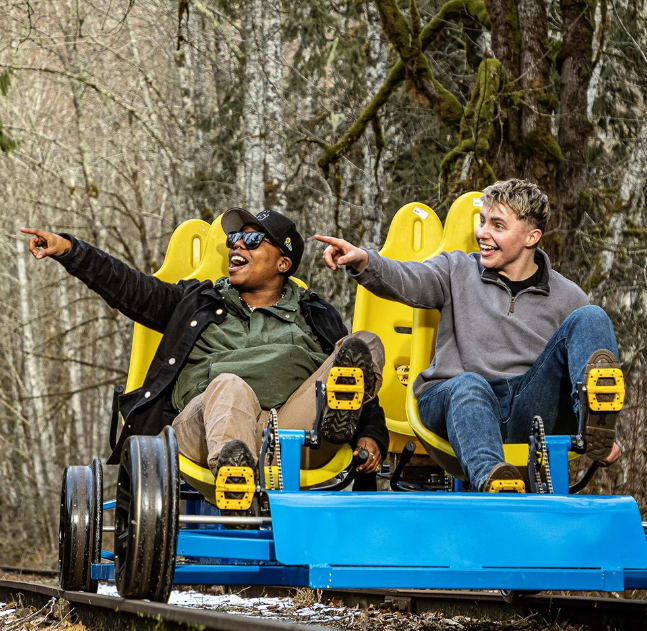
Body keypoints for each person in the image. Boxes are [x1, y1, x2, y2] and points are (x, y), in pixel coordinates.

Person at [21, 208, 388, 496]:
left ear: (283, 263)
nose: (236, 245)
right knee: (229, 384)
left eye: (252, 239)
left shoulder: (315, 313)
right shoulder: (198, 301)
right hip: (204, 429)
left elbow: (347, 379)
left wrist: (370, 433)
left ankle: (251, 460)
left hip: (293, 436)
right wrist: (71, 250)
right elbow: (130, 288)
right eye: (234, 238)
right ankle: (234, 468)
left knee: (363, 344)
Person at [316, 179, 622, 492]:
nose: (482, 233)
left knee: (592, 317)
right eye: (482, 221)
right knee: (469, 384)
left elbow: (585, 359)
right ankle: (495, 481)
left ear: (532, 237)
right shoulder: (455, 269)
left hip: (528, 410)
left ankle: (594, 417)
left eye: (498, 225)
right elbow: (407, 278)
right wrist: (364, 261)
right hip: (455, 398)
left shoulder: (567, 296)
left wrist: (603, 434)